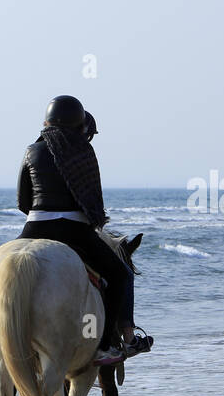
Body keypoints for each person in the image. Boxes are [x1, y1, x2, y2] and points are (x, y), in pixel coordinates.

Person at [17, 95, 150, 366]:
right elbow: (92, 199)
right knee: (121, 275)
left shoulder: (31, 150)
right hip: (73, 230)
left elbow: (22, 201)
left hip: (33, 228)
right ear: (79, 125)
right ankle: (117, 341)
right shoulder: (83, 152)